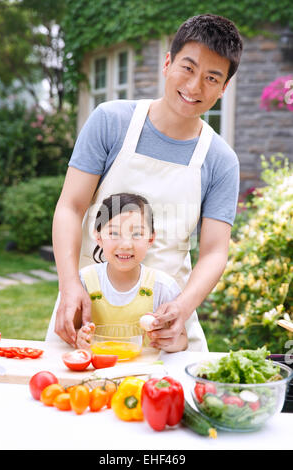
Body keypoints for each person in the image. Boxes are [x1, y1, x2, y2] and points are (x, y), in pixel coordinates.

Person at [50, 14, 243, 350]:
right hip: (87, 316)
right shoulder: (111, 122)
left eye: (212, 78)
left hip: (165, 325)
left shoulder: (221, 160)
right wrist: (69, 287)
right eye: (188, 67)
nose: (195, 86)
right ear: (167, 63)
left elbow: (214, 252)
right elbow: (70, 206)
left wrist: (181, 308)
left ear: (224, 87)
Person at [72, 192, 191, 352]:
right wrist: (79, 337)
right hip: (96, 372)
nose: (126, 244)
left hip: (144, 374)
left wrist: (169, 342)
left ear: (150, 239)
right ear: (98, 237)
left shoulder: (163, 287)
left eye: (137, 234)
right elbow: (72, 331)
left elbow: (182, 339)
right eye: (114, 233)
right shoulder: (84, 282)